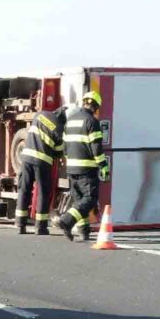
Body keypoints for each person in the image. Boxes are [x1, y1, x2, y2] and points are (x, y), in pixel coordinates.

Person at [56, 90, 109, 242]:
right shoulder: (92, 121)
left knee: (79, 200)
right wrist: (103, 166)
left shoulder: (70, 121)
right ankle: (66, 221)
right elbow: (96, 148)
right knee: (90, 199)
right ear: (96, 106)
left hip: (71, 168)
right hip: (87, 169)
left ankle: (83, 232)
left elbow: (65, 147)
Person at [14, 105, 65, 235]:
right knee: (43, 192)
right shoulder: (59, 127)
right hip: (42, 162)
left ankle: (20, 225)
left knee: (24, 190)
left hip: (26, 159)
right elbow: (59, 152)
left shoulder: (40, 114)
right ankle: (40, 227)